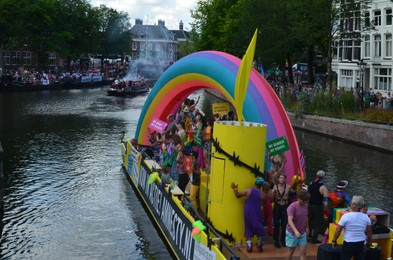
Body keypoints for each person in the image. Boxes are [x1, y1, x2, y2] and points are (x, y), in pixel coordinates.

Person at [231, 177, 266, 253]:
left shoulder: (247, 190)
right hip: (257, 212)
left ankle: (249, 245)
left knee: (248, 227)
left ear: (255, 183)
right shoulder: (262, 194)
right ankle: (259, 243)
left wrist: (235, 189)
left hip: (247, 212)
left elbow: (237, 195)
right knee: (260, 228)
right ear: (261, 185)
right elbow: (263, 204)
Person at [331, 195, 372, 260]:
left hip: (348, 244)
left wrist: (334, 240)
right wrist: (369, 242)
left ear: (354, 205)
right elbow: (369, 233)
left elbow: (338, 230)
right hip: (361, 244)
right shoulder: (366, 217)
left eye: (351, 202)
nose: (350, 203)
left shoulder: (346, 216)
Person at [285, 189, 310, 260]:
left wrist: (307, 227)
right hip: (292, 233)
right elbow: (290, 220)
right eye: (303, 200)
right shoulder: (292, 207)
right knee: (291, 251)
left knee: (304, 252)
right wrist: (295, 231)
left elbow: (306, 216)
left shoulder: (305, 205)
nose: (305, 202)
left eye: (306, 200)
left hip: (302, 232)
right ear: (298, 198)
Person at [272, 173, 295, 248]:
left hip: (285, 206)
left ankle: (283, 240)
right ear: (278, 179)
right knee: (276, 224)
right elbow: (271, 195)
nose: (282, 179)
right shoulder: (275, 187)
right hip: (277, 206)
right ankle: (276, 240)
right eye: (280, 178)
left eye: (283, 178)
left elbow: (294, 193)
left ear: (285, 179)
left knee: (284, 224)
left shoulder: (288, 187)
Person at [307, 170, 329, 244]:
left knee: (311, 220)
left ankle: (309, 235)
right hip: (318, 206)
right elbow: (326, 200)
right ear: (323, 177)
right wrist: (325, 205)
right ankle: (314, 239)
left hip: (310, 205)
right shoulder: (323, 187)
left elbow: (307, 193)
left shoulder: (311, 184)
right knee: (319, 223)